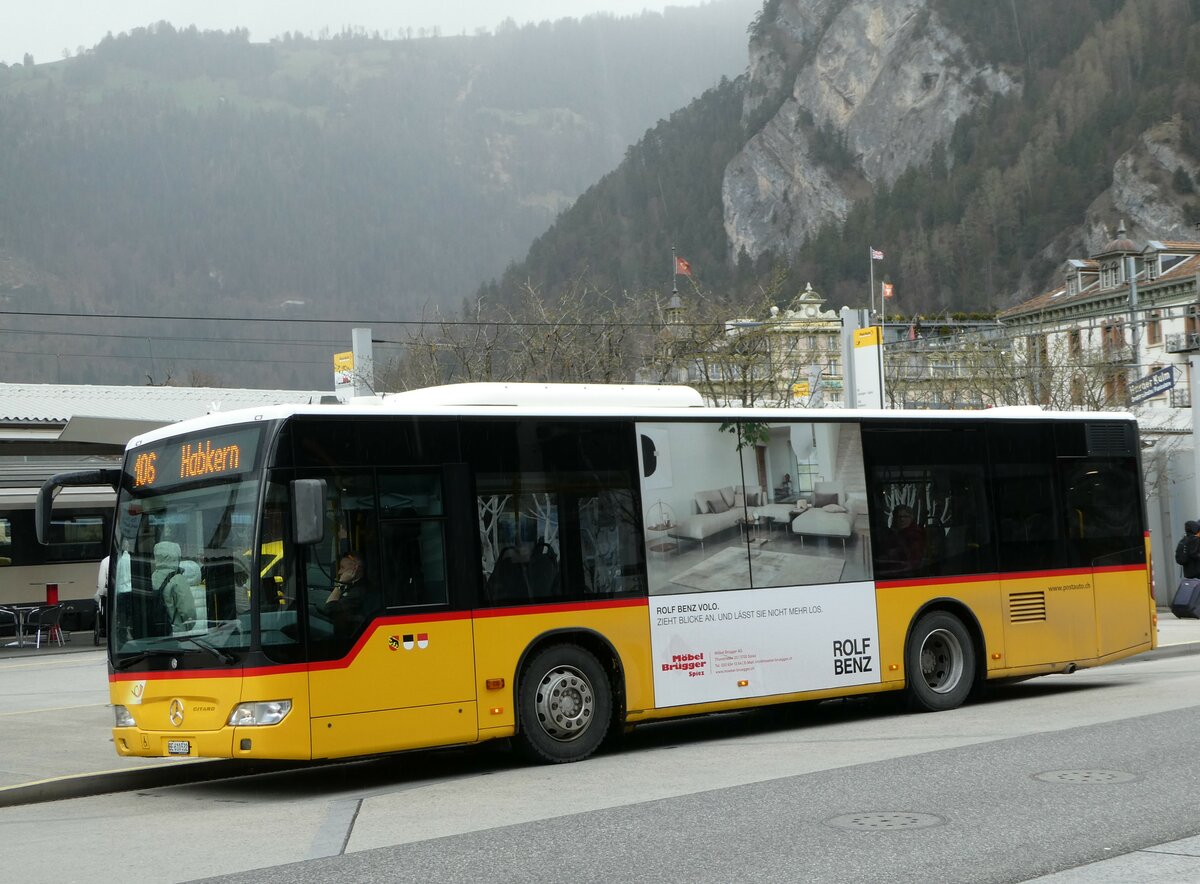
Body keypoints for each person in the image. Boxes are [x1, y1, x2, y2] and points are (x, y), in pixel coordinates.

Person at [153, 540, 197, 633]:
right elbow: (188, 611)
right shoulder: (178, 579)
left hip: (154, 632)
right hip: (174, 632)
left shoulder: (152, 577)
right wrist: (187, 627)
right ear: (176, 556)